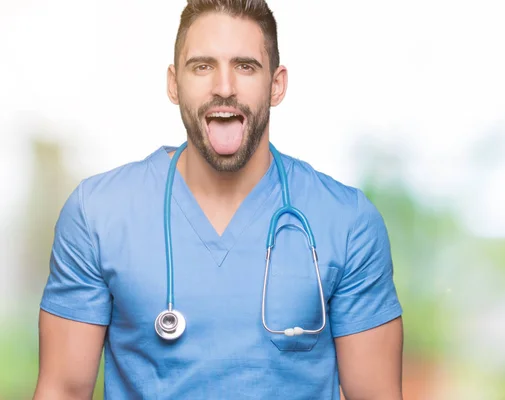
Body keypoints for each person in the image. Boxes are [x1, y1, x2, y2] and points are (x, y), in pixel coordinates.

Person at [33, 0, 404, 398]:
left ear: (276, 84)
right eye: (202, 66)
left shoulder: (346, 221)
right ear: (174, 84)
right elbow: (63, 390)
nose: (224, 87)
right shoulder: (98, 214)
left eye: (245, 66)